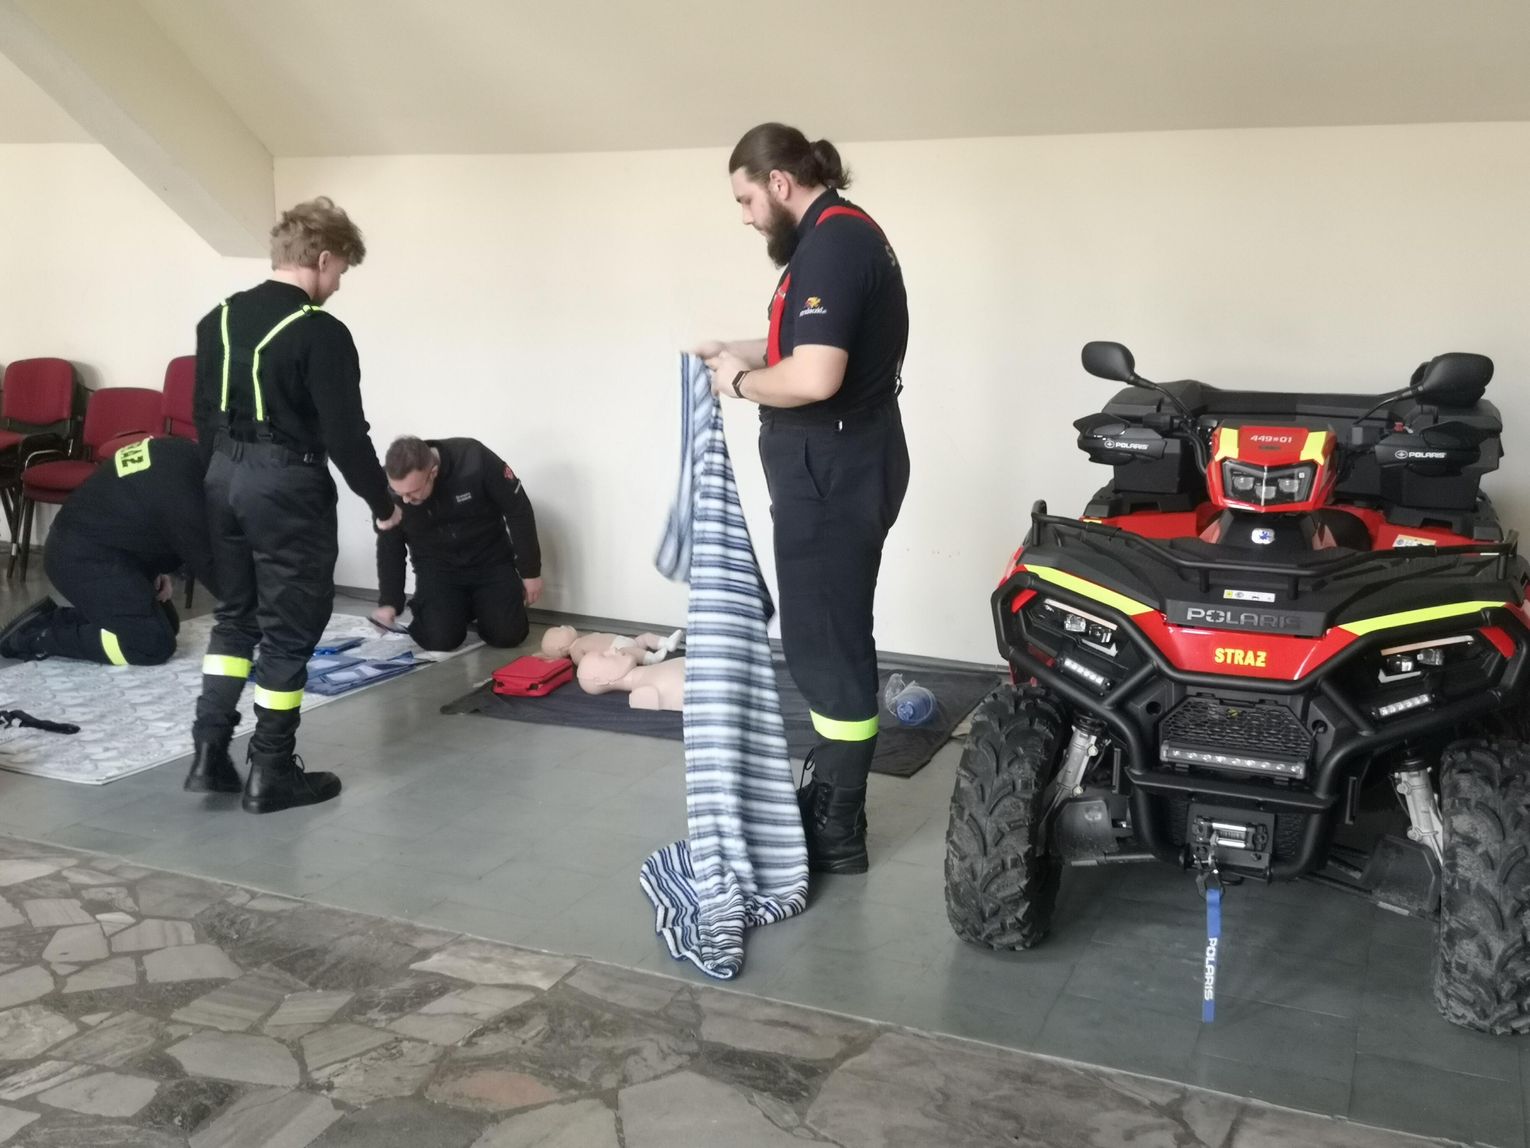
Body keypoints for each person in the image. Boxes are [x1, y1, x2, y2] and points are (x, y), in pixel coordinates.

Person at [700, 123, 911, 874]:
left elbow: (816, 376)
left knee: (826, 642)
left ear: (780, 182)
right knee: (829, 632)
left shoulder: (831, 245)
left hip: (832, 468)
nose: (746, 216)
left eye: (746, 199)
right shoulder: (838, 233)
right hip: (844, 460)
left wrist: (739, 383)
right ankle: (833, 792)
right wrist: (733, 351)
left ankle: (839, 827)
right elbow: (809, 348)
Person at [186, 196, 402, 813]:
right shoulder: (320, 332)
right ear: (324, 258)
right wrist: (382, 502)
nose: (338, 286)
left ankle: (209, 753)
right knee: (289, 630)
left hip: (222, 475)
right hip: (285, 485)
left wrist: (221, 477)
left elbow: (202, 413)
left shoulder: (217, 318)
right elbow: (345, 435)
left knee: (235, 616)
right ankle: (272, 770)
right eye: (341, 272)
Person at [0, 436, 217, 666]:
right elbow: (217, 573)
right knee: (151, 644)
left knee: (167, 624)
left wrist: (155, 569)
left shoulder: (177, 453)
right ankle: (34, 637)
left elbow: (137, 509)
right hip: (82, 558)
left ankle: (52, 619)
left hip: (102, 549)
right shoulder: (183, 485)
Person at [371, 435, 542, 650]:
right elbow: (390, 547)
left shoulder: (474, 459)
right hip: (437, 568)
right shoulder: (387, 490)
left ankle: (480, 607)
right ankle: (456, 609)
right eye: (399, 493)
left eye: (412, 492)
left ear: (433, 473)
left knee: (508, 635)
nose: (405, 500)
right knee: (438, 639)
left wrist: (530, 572)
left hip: (490, 560)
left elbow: (518, 510)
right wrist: (389, 602)